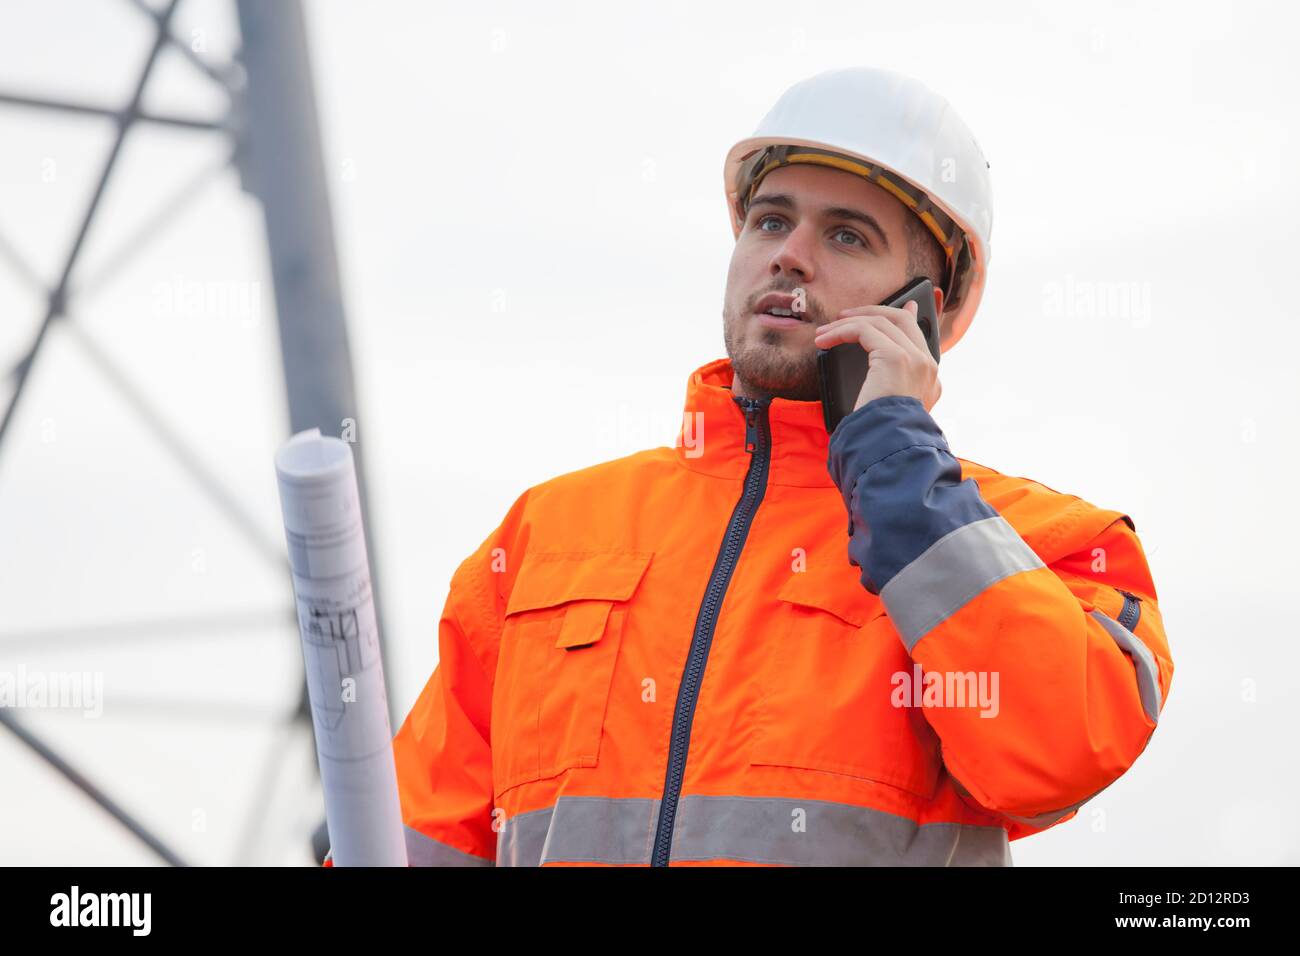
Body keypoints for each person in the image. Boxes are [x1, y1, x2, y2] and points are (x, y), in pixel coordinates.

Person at [331, 66, 1173, 867]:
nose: (791, 255)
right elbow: (413, 841)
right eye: (771, 220)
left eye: (846, 235)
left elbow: (1056, 753)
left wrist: (898, 461)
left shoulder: (1049, 544)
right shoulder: (546, 534)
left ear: (928, 309)